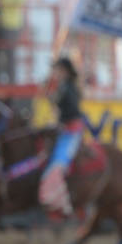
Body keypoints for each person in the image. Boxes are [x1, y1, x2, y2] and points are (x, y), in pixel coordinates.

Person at [39, 56, 86, 215]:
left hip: (70, 131)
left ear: (64, 71)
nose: (55, 73)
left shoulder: (67, 87)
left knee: (58, 164)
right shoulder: (68, 86)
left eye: (57, 69)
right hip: (67, 129)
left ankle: (61, 202)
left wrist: (48, 93)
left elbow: (67, 108)